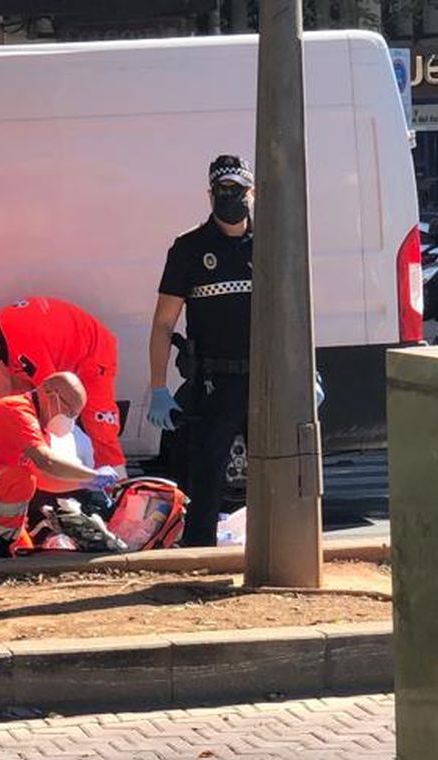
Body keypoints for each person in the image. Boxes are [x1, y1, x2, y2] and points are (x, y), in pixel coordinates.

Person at [147, 154, 256, 547]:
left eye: (238, 191)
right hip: (215, 382)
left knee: (281, 476)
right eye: (223, 191)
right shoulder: (189, 249)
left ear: (252, 192)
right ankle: (199, 559)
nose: (231, 198)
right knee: (206, 478)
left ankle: (269, 555)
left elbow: (294, 311)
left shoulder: (272, 244)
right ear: (210, 195)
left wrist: (307, 372)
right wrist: (158, 388)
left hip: (268, 380)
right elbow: (163, 323)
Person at [0, 372, 117, 557]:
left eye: (74, 415)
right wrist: (91, 475)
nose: (70, 420)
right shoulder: (19, 412)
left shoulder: (37, 424)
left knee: (23, 549)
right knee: (21, 480)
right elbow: (47, 462)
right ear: (49, 392)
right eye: (69, 411)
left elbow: (44, 479)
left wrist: (84, 484)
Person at [0, 297, 124, 476]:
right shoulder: (6, 327)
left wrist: (38, 445)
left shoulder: (21, 341)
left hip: (94, 353)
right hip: (77, 350)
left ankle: (119, 485)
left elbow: (54, 395)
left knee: (100, 428)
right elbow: (21, 387)